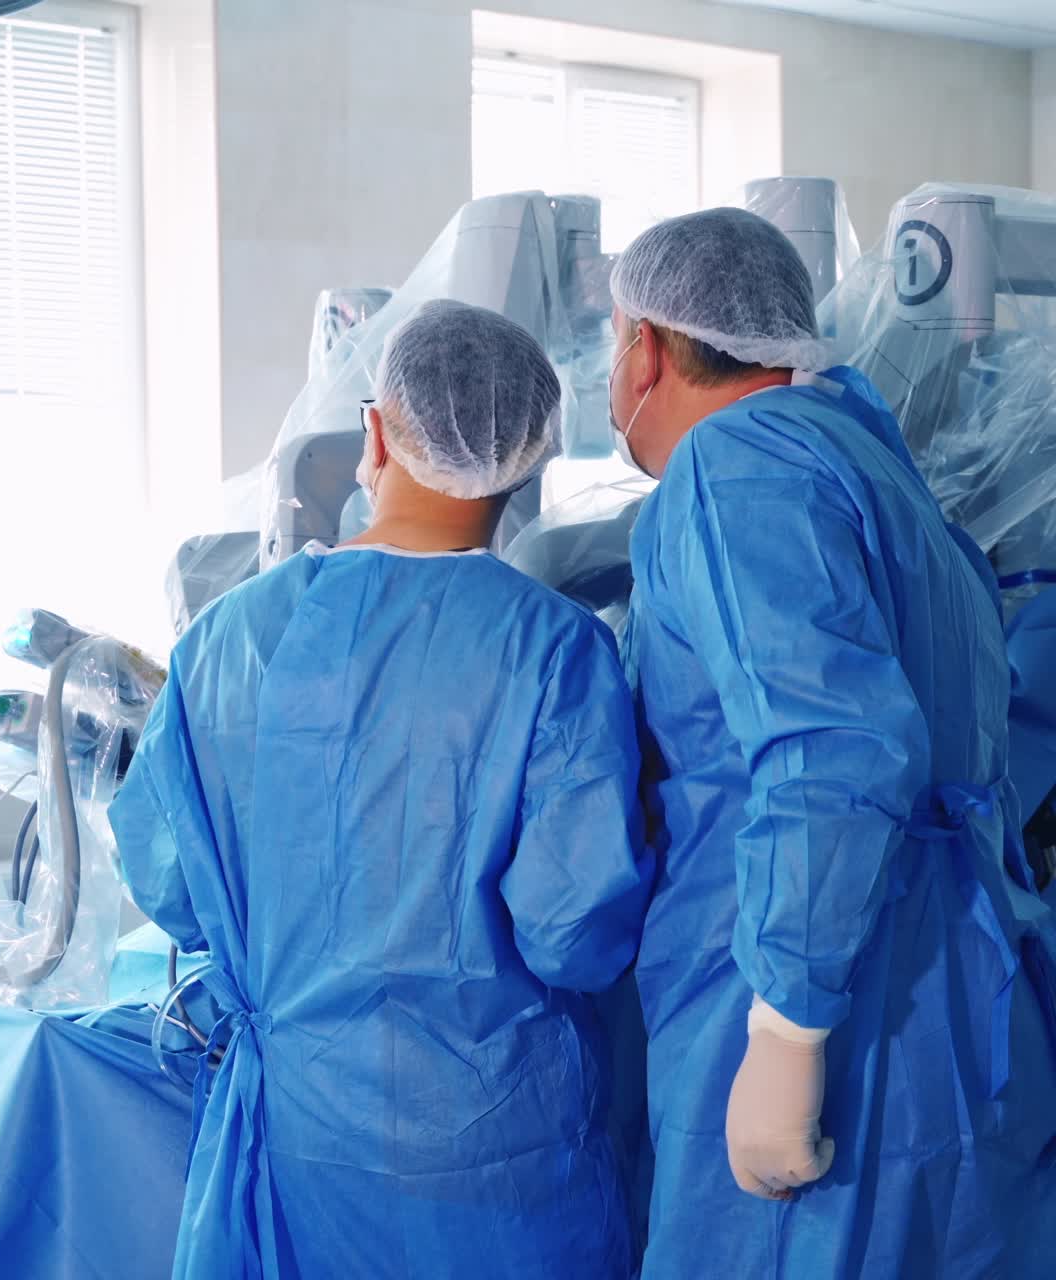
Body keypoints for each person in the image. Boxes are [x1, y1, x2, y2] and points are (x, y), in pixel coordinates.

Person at [110, 298, 656, 1279]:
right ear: (526, 460)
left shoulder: (224, 642)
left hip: (301, 1142)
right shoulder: (556, 649)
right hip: (494, 1152)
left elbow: (173, 890)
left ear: (374, 430)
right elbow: (572, 935)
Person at [606, 207, 1056, 1278]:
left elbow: (830, 748)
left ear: (650, 348)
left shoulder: (733, 468)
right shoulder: (875, 469)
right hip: (958, 1003)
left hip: (825, 1007)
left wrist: (786, 1031)